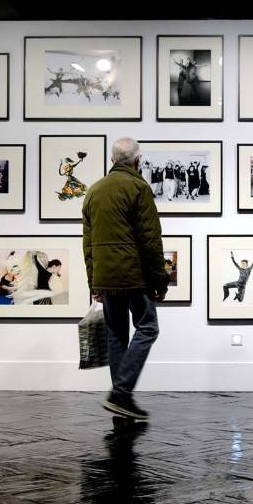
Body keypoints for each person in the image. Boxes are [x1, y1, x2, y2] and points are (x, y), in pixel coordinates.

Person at [82, 138, 168, 421]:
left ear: (111, 160)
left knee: (117, 335)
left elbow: (88, 243)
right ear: (137, 161)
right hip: (133, 276)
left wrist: (94, 281)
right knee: (148, 328)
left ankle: (122, 401)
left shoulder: (93, 191)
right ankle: (121, 393)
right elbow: (150, 240)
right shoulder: (138, 188)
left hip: (106, 279)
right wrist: (160, 280)